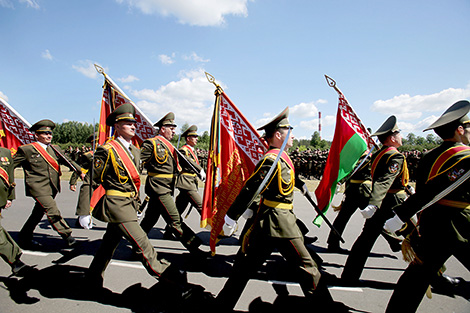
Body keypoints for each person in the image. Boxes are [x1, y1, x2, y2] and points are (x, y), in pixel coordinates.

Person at [215, 108, 347, 312]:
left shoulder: (280, 157)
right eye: (289, 130)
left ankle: (221, 305)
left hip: (270, 224)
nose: (292, 135)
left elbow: (276, 183)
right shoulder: (271, 159)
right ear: (278, 134)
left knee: (243, 270)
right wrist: (232, 217)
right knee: (308, 268)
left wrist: (300, 183)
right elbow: (251, 189)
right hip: (279, 222)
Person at [86, 103, 186, 290]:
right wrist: (85, 211)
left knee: (108, 245)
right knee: (144, 245)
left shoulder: (135, 151)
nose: (133, 126)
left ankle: (92, 279)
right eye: (127, 123)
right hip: (116, 204)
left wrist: (139, 205)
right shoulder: (106, 150)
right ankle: (171, 279)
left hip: (129, 204)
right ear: (116, 126)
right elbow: (90, 180)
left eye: (133, 122)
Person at [385, 100, 470, 312]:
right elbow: (438, 188)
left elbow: (425, 191)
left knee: (414, 280)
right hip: (461, 222)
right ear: (460, 130)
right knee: (416, 278)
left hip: (433, 222)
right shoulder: (466, 157)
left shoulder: (430, 156)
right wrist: (403, 213)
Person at [341, 115, 409, 283]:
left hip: (382, 201)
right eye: (399, 133)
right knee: (417, 237)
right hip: (394, 202)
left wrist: (407, 186)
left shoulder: (379, 155)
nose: (401, 136)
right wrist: (373, 204)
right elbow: (384, 182)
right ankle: (436, 277)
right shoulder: (395, 156)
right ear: (392, 138)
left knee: (365, 240)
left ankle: (349, 275)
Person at [139, 113, 206, 258]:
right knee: (175, 220)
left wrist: (199, 169)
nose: (174, 131)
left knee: (149, 220)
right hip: (158, 188)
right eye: (171, 128)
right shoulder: (152, 144)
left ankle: (136, 247)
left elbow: (183, 163)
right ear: (162, 129)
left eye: (174, 128)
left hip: (167, 188)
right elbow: (136, 164)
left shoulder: (169, 146)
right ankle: (195, 249)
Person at [13, 119, 84, 250]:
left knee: (38, 213)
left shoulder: (54, 149)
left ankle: (24, 236)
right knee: (52, 211)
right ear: (36, 135)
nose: (49, 136)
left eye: (50, 133)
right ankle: (68, 238)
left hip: (52, 187)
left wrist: (80, 171)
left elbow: (67, 161)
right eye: (45, 133)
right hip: (37, 188)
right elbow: (11, 165)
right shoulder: (27, 149)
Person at [327, 150, 372, 252]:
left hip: (353, 189)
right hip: (361, 191)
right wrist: (340, 182)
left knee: (342, 217)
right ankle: (395, 241)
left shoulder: (356, 154)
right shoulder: (365, 155)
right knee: (375, 218)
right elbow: (353, 169)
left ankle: (333, 242)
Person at [0, 146, 33, 276]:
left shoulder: (5, 152)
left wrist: (9, 196)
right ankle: (15, 262)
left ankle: (15, 261)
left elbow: (10, 176)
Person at [175, 125, 205, 219]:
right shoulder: (183, 150)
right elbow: (189, 162)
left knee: (178, 210)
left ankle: (169, 232)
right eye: (194, 137)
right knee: (201, 207)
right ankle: (214, 229)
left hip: (191, 181)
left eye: (197, 137)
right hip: (186, 182)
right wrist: (200, 170)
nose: (197, 139)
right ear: (188, 138)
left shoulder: (193, 151)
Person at [70, 133, 97, 229]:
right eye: (95, 143)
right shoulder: (89, 156)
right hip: (91, 182)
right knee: (86, 202)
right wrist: (73, 182)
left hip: (104, 183)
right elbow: (79, 168)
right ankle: (82, 219)